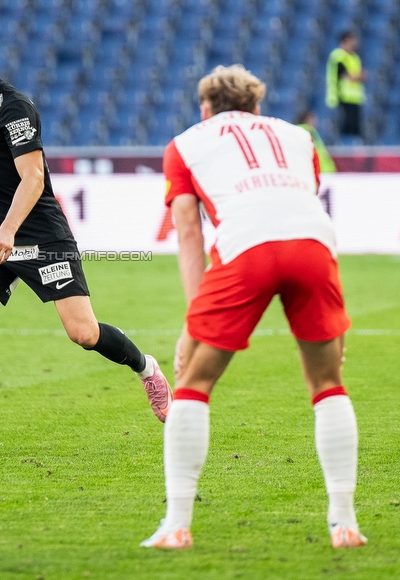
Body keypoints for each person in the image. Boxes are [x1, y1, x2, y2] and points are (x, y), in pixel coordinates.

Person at [142, 65, 364, 550]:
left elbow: (188, 230)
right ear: (258, 108)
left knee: (194, 383)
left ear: (204, 110)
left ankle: (176, 526)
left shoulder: (184, 144)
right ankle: (344, 524)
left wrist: (192, 320)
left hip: (248, 249)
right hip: (314, 245)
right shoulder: (298, 138)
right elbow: (298, 205)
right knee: (329, 383)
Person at [0, 14, 172, 445]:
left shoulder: (16, 107)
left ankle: (146, 369)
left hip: (40, 238)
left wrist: (6, 233)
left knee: (84, 334)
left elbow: (34, 178)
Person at [325, 31, 366, 143]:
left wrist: (358, 76)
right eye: (353, 39)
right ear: (346, 40)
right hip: (341, 97)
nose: (356, 42)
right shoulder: (338, 56)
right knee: (344, 127)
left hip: (355, 98)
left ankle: (352, 151)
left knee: (355, 127)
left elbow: (362, 76)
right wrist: (358, 76)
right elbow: (348, 76)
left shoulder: (355, 57)